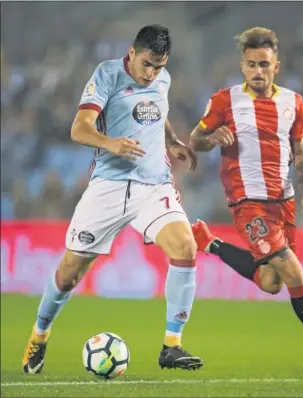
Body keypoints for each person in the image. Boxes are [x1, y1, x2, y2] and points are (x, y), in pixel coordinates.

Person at [23, 25, 203, 373]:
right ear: (132, 53)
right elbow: (79, 127)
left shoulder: (162, 80)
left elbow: (157, 112)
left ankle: (172, 345)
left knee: (186, 248)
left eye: (160, 66)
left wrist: (172, 141)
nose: (152, 74)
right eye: (147, 64)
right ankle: (40, 334)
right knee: (69, 275)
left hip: (153, 185)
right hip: (109, 186)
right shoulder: (106, 74)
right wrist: (111, 144)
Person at [190, 27, 303, 379]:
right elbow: (196, 140)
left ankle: (208, 243)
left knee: (272, 282)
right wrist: (212, 137)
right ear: (242, 66)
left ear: (277, 66)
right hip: (248, 203)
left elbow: (301, 151)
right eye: (252, 64)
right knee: (295, 274)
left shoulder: (294, 102)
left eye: (265, 65)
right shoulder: (224, 101)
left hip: (283, 203)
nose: (258, 71)